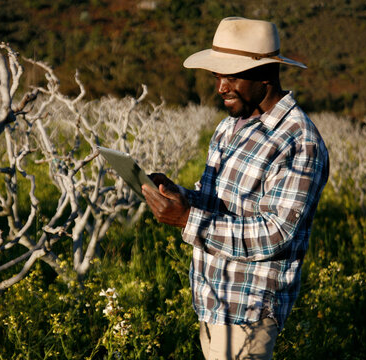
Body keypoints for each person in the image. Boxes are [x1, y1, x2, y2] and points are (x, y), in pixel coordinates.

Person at [141, 17, 329, 360]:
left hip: (249, 310)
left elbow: (276, 232)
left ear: (266, 75)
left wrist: (187, 219)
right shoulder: (231, 126)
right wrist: (179, 195)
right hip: (211, 299)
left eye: (232, 76)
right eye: (217, 76)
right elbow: (215, 199)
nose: (221, 88)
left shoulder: (300, 142)